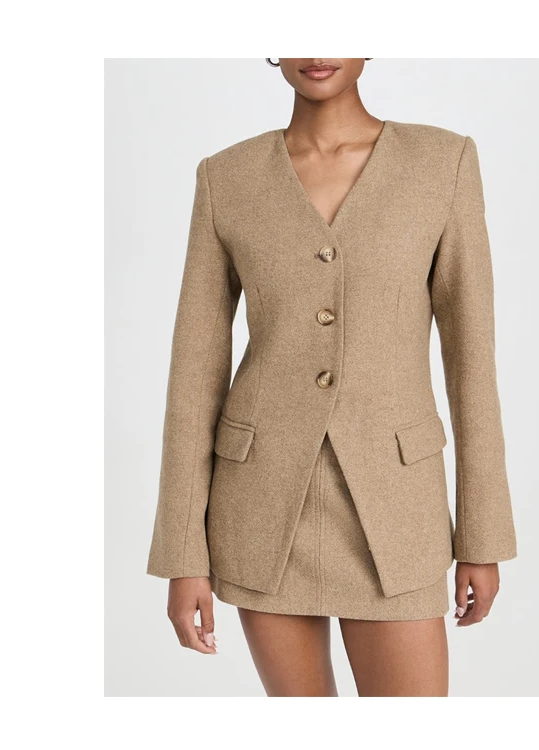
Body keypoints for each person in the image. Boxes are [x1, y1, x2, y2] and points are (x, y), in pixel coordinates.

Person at [147, 58, 517, 697]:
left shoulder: (442, 164)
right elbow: (194, 374)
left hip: (397, 514)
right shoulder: (226, 178)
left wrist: (481, 537)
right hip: (262, 512)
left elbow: (473, 364)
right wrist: (183, 557)